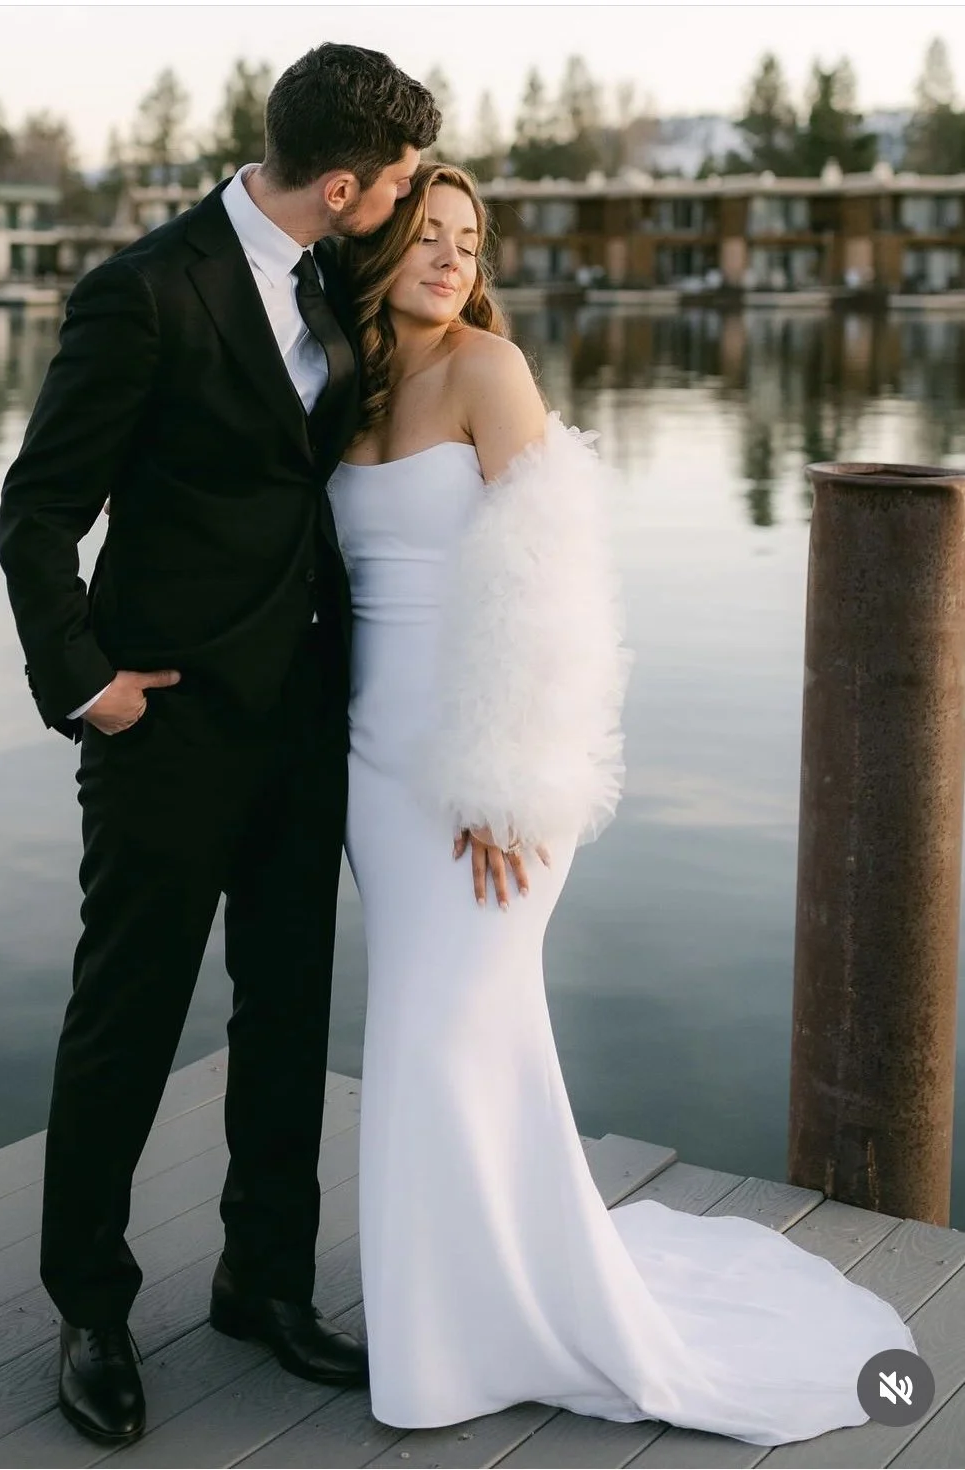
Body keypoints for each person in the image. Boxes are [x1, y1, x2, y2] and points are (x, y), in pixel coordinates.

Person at [327, 161, 921, 1446]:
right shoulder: (347, 385)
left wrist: (507, 780)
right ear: (377, 244)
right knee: (442, 1037)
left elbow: (556, 591)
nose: (451, 257)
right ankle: (461, 1309)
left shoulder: (489, 371)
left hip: (487, 773)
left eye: (468, 238)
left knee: (439, 1032)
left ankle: (469, 1334)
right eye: (427, 234)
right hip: (377, 769)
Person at [0, 44, 439, 1447]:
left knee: (288, 1011)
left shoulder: (335, 277)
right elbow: (37, 511)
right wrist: (87, 685)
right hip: (168, 723)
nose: (405, 204)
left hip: (306, 721)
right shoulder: (141, 292)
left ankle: (263, 1281)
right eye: (398, 184)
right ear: (341, 184)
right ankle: (90, 1307)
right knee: (125, 1017)